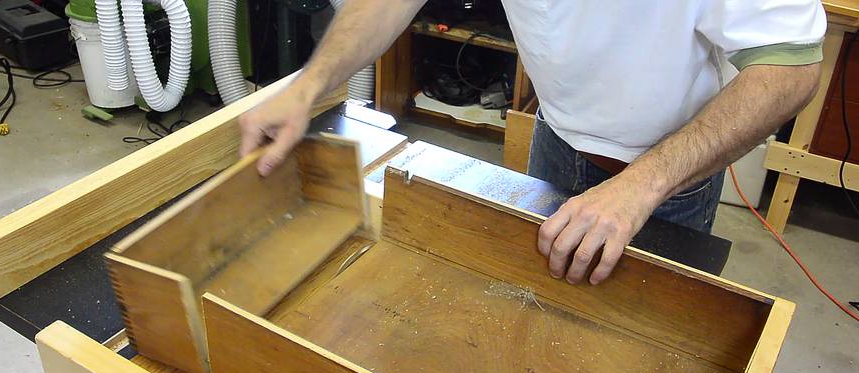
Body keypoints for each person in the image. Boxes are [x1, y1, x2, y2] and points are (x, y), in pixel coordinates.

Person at [238, 0, 826, 285]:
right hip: (556, 135)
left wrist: (640, 187)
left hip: (664, 180)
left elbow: (791, 68)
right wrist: (308, 85)